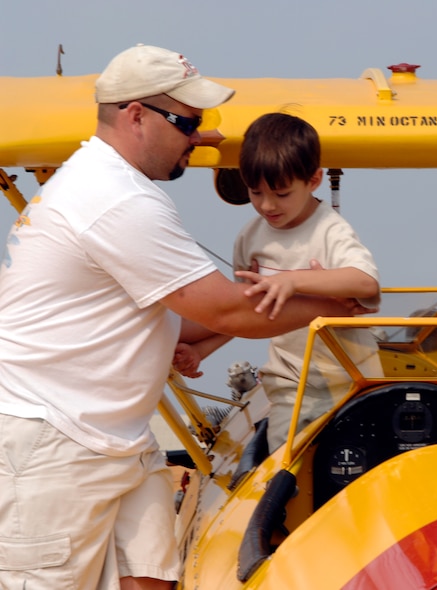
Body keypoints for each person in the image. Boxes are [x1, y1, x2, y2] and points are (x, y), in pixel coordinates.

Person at [0, 45, 359, 590]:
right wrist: (339, 297)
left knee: (152, 577)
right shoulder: (116, 199)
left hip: (117, 440)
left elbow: (177, 319)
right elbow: (222, 306)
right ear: (136, 116)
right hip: (56, 440)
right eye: (188, 121)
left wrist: (218, 329)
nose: (199, 135)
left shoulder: (97, 182)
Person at [174, 112, 381, 451]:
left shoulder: (329, 230)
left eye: (282, 194)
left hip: (354, 378)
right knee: (287, 467)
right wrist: (201, 349)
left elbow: (366, 283)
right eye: (256, 193)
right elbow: (247, 312)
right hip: (291, 384)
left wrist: (295, 281)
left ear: (313, 180)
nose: (267, 205)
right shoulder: (250, 238)